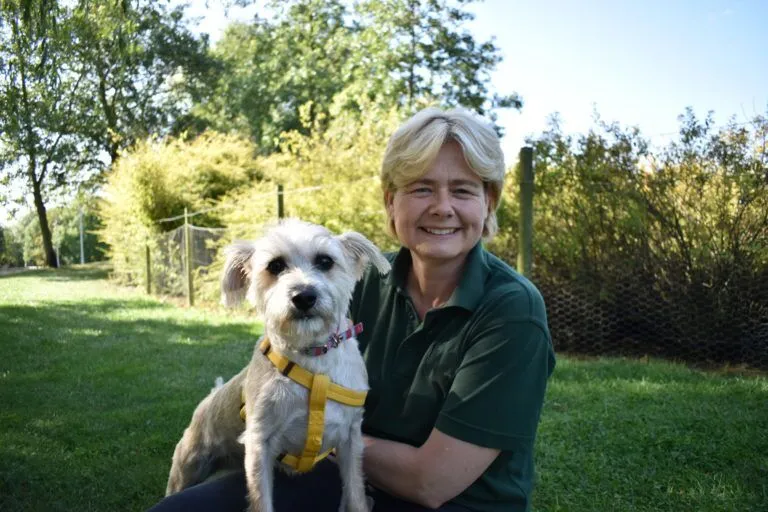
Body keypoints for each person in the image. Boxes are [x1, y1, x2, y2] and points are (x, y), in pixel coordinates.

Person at [149, 107, 555, 512]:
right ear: (391, 202)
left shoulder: (512, 312)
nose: (442, 207)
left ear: (489, 202)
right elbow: (281, 364)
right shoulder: (358, 280)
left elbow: (432, 482)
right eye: (422, 188)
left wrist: (311, 432)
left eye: (463, 190)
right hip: (337, 475)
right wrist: (255, 418)